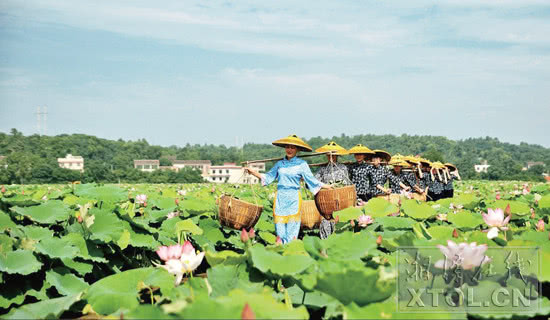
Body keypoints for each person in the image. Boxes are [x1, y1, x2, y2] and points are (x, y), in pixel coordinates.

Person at [245, 134, 332, 244]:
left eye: (292, 147)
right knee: (280, 230)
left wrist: (327, 186)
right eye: (287, 147)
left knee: (292, 229)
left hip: (294, 198)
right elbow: (268, 177)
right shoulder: (280, 164)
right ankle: (281, 251)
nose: (289, 150)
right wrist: (253, 172)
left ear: (298, 150)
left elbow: (312, 181)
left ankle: (291, 252)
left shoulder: (302, 164)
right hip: (280, 198)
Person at [313, 141, 349, 239]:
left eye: (333, 155)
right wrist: (326, 186)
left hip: (340, 200)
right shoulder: (322, 169)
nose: (331, 157)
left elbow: (346, 183)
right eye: (329, 155)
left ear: (337, 155)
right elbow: (315, 182)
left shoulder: (342, 167)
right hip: (325, 201)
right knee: (326, 220)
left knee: (339, 220)